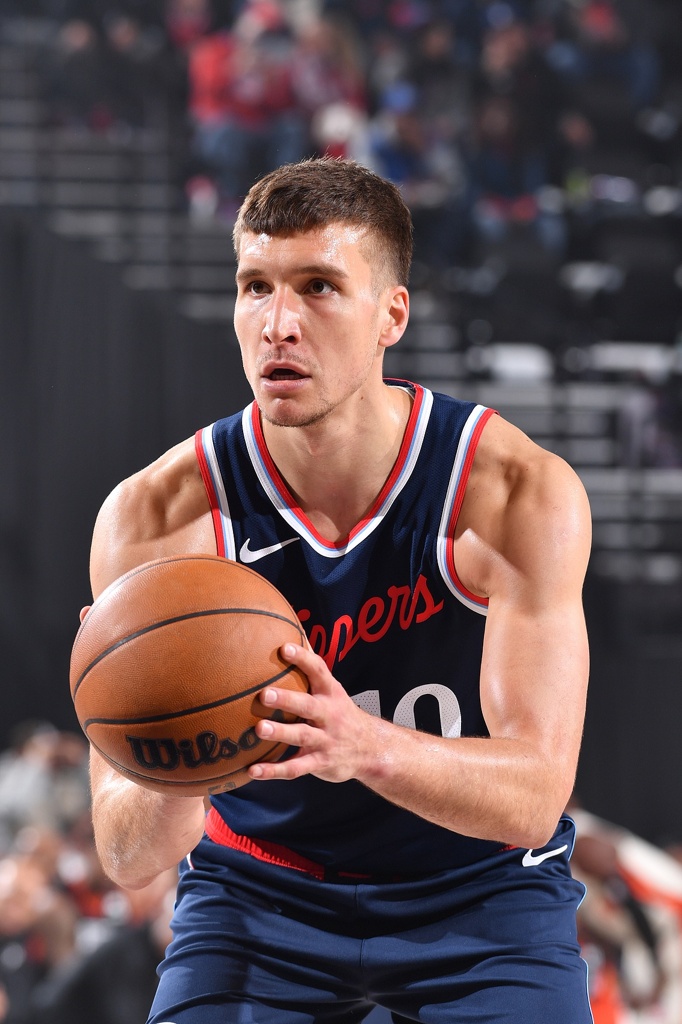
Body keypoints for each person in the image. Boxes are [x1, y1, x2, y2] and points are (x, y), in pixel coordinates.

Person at [84, 156, 593, 1023]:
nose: (278, 324)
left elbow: (536, 797)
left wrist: (362, 744)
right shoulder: (156, 517)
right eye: (255, 288)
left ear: (392, 314)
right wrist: (164, 737)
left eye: (318, 287)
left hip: (479, 892)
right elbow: (127, 858)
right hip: (259, 892)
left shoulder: (509, 493)